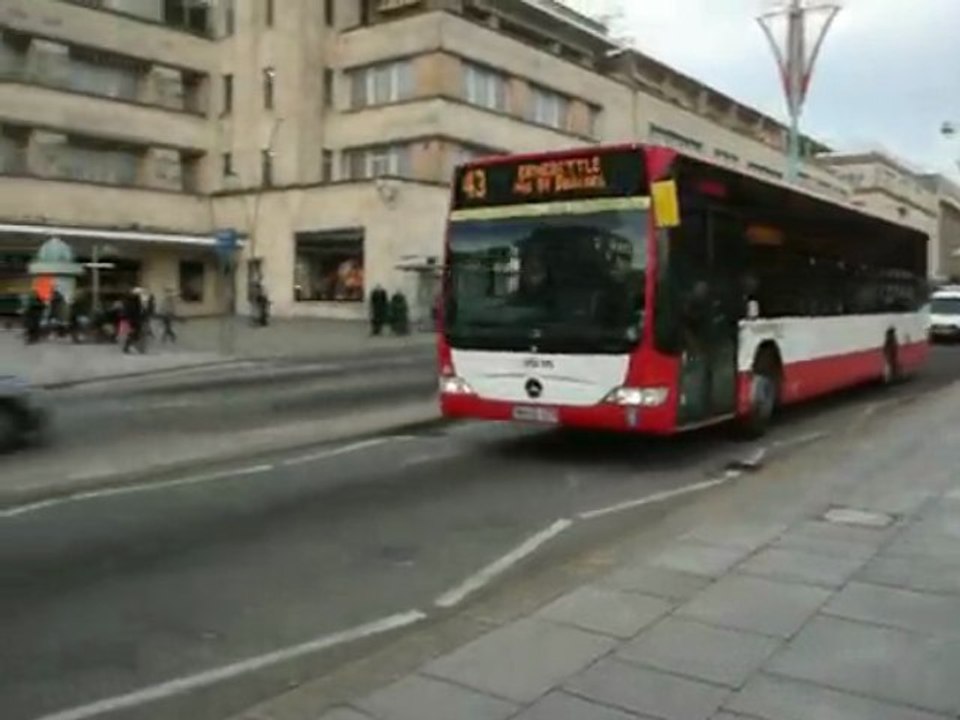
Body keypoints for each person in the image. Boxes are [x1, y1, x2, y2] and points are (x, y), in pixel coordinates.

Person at [122, 287, 145, 354]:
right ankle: (129, 347)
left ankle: (130, 347)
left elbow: (139, 309)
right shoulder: (131, 301)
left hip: (133, 319)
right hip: (133, 319)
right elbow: (134, 310)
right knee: (134, 333)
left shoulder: (132, 300)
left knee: (134, 333)